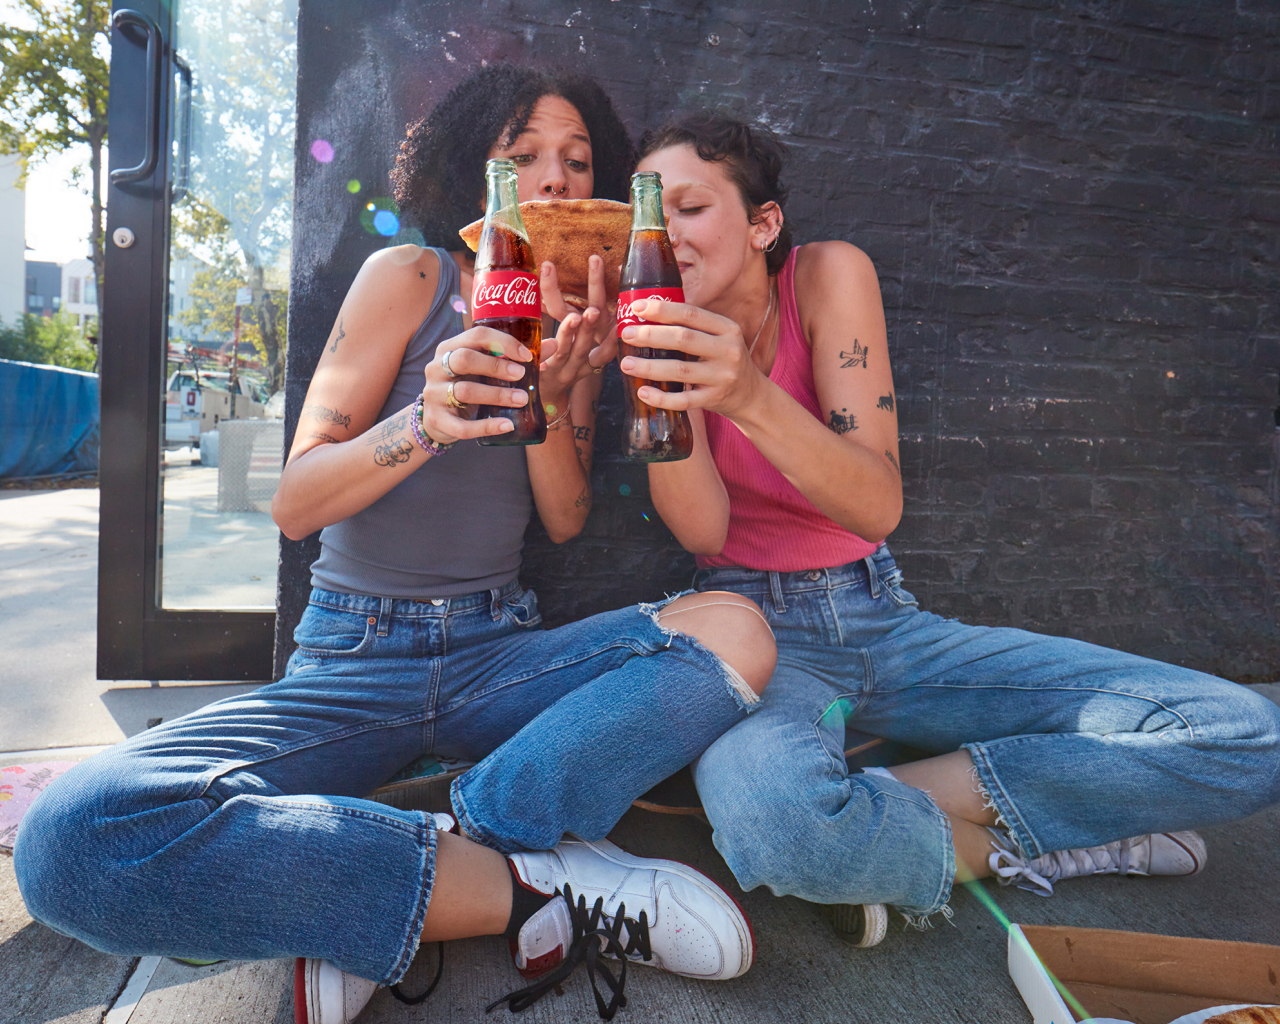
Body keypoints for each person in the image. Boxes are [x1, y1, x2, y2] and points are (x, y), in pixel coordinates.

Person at [14, 71, 776, 1024]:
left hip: (498, 653)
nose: (551, 179)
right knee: (74, 842)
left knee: (737, 630)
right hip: (354, 661)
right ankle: (528, 886)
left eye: (577, 163)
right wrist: (428, 418)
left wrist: (548, 394)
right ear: (474, 169)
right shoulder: (409, 280)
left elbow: (569, 519)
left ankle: (398, 866)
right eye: (522, 157)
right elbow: (296, 501)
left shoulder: (580, 311)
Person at [620, 111, 1280, 934]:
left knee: (1247, 734)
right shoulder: (650, 332)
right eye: (648, 215)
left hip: (881, 618)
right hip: (751, 631)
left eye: (688, 207)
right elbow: (704, 536)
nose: (664, 234)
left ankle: (878, 807)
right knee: (777, 825)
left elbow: (875, 503)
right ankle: (1023, 847)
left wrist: (750, 396)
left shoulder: (827, 277)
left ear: (763, 223)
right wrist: (650, 379)